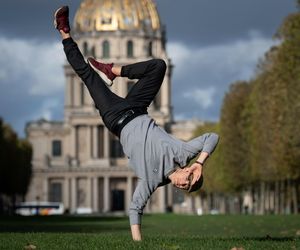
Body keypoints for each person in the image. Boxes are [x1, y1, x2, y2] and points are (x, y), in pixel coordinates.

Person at [54, 6, 219, 241]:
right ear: (187, 170)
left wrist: (138, 243)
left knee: (85, 74)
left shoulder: (152, 180)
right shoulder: (183, 154)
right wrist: (200, 164)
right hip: (138, 108)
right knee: (158, 66)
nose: (184, 184)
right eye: (189, 181)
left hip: (116, 117)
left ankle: (64, 31)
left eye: (186, 187)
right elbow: (212, 137)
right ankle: (112, 70)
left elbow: (135, 209)